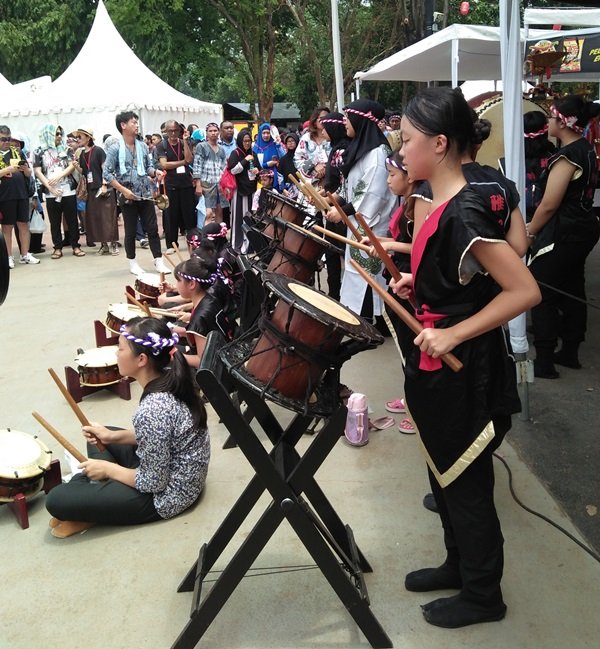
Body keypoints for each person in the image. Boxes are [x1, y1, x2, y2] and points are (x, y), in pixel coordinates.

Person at [389, 87, 540, 628]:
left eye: (406, 141)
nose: (400, 151)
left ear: (440, 143)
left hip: (466, 371)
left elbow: (523, 291)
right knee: (443, 473)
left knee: (468, 484)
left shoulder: (468, 210)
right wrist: (420, 286)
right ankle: (458, 565)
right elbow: (461, 282)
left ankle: (483, 594)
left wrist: (453, 334)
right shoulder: (443, 202)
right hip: (438, 368)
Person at [45, 317, 210, 538]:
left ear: (141, 359)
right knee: (100, 435)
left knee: (57, 500)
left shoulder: (153, 410)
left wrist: (108, 470)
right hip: (167, 467)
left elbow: (154, 482)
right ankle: (95, 494)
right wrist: (111, 436)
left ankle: (91, 502)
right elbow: (158, 437)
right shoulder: (169, 378)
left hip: (167, 495)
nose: (116, 353)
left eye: (120, 348)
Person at [526, 95, 600, 377]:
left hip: (565, 230)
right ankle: (570, 350)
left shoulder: (569, 155)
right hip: (582, 227)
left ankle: (544, 360)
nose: (547, 122)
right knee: (572, 288)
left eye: (551, 116)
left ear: (563, 122)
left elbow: (549, 203)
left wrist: (530, 230)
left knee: (541, 290)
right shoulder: (587, 149)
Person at [325, 99, 395, 321]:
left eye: (347, 117)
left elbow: (372, 195)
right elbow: (354, 187)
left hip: (373, 224)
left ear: (360, 120)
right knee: (357, 272)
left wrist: (343, 212)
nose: (344, 122)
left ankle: (372, 321)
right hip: (358, 222)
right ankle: (360, 317)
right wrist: (338, 199)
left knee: (370, 275)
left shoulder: (378, 154)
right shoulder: (363, 149)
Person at [103, 110, 171, 276]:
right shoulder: (114, 148)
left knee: (153, 228)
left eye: (136, 122)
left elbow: (147, 167)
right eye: (133, 122)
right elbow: (107, 173)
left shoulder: (141, 145)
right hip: (127, 195)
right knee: (131, 230)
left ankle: (158, 260)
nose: (136, 125)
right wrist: (123, 190)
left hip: (145, 192)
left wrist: (155, 173)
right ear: (123, 125)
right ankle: (133, 262)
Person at [169, 256, 235, 366]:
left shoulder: (199, 318)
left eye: (178, 280)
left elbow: (202, 361)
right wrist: (183, 332)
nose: (176, 285)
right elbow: (209, 330)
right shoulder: (209, 299)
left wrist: (172, 357)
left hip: (218, 369)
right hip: (227, 350)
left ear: (192, 284)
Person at [33, 124, 85, 259]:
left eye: (60, 133)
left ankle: (75, 245)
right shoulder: (39, 151)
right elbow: (37, 171)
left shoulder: (66, 149)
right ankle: (57, 247)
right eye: (56, 134)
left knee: (72, 220)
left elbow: (71, 166)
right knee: (54, 220)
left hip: (68, 189)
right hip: (51, 192)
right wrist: (49, 187)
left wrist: (60, 176)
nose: (59, 136)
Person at [75, 127, 119, 255]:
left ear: (88, 137)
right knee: (96, 218)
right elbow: (85, 172)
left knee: (108, 217)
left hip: (103, 189)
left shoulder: (98, 151)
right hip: (91, 190)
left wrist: (104, 184)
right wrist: (77, 167)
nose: (78, 139)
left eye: (80, 137)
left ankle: (113, 244)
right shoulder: (82, 154)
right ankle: (103, 245)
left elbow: (105, 169)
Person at [0, 124, 40, 267]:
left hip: (21, 193)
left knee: (23, 224)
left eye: (8, 139)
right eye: (3, 139)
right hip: (4, 195)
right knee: (7, 227)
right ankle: (8, 256)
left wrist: (25, 170)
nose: (6, 142)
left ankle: (25, 254)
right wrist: (7, 170)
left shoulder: (17, 152)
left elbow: (29, 173)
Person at [320, 112, 350, 301]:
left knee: (340, 254)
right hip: (333, 206)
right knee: (331, 251)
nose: (322, 131)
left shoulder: (343, 150)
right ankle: (334, 295)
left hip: (342, 210)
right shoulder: (335, 148)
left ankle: (341, 296)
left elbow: (345, 184)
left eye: (325, 128)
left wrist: (331, 199)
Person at [155, 119, 195, 251]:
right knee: (171, 216)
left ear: (180, 131)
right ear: (166, 132)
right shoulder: (162, 145)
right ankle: (171, 244)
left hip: (186, 184)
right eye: (170, 131)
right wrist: (182, 162)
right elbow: (164, 164)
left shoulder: (184, 143)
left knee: (189, 215)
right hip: (170, 185)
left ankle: (192, 242)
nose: (173, 133)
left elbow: (189, 159)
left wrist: (185, 141)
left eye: (175, 130)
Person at [227, 128, 260, 252]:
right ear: (240, 141)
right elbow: (233, 170)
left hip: (252, 189)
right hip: (239, 190)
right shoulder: (235, 153)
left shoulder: (253, 153)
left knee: (251, 216)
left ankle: (250, 245)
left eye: (249, 141)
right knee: (239, 216)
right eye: (245, 141)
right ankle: (238, 243)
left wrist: (257, 171)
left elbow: (259, 170)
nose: (247, 143)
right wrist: (245, 160)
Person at [192, 122, 227, 225]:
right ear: (206, 133)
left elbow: (224, 167)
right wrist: (198, 184)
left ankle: (218, 237)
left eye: (215, 131)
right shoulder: (201, 146)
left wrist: (225, 184)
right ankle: (205, 238)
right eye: (210, 131)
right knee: (208, 213)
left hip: (219, 184)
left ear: (219, 132)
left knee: (219, 212)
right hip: (206, 184)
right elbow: (197, 165)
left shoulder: (221, 149)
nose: (213, 133)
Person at [294, 107, 331, 188]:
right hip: (309, 186)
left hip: (330, 184)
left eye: (327, 118)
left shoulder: (333, 138)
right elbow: (297, 160)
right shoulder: (306, 139)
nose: (325, 120)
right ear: (314, 121)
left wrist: (325, 168)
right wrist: (314, 167)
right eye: (322, 118)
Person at [252, 122, 284, 190]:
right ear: (260, 134)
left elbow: (283, 158)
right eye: (264, 133)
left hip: (276, 178)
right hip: (262, 180)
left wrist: (278, 145)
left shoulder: (275, 144)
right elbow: (255, 165)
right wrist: (267, 164)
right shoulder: (256, 148)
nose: (266, 135)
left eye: (268, 133)